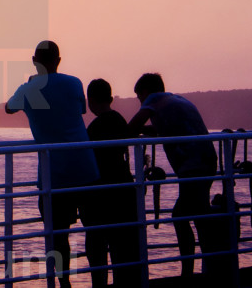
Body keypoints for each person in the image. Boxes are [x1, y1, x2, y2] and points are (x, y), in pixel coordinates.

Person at [6, 41, 99, 288]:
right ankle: (99, 280)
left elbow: (8, 108)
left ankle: (64, 283)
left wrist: (30, 84)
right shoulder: (74, 83)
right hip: (86, 167)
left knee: (58, 236)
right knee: (95, 231)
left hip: (53, 174)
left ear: (34, 60)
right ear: (58, 60)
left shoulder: (27, 90)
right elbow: (80, 109)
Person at [126, 73, 221, 281]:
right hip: (206, 160)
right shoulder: (176, 100)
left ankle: (191, 271)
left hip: (193, 165)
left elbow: (131, 128)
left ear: (146, 92)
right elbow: (165, 128)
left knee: (181, 216)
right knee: (200, 215)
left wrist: (125, 132)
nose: (140, 102)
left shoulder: (154, 100)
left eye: (139, 97)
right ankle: (211, 267)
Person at [85, 78, 142, 288]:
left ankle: (99, 284)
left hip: (101, 191)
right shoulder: (119, 120)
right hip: (122, 188)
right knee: (124, 248)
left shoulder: (94, 128)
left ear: (90, 100)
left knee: (96, 245)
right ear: (110, 98)